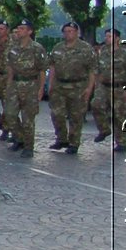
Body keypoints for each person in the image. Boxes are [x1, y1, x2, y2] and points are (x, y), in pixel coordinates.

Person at [45, 21, 97, 154]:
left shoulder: (86, 48)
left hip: (78, 86)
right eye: (66, 31)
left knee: (76, 116)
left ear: (77, 33)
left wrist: (89, 89)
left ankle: (74, 143)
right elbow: (52, 67)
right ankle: (61, 138)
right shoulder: (58, 47)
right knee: (57, 114)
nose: (68, 34)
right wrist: (49, 84)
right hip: (59, 85)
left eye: (71, 31)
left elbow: (92, 70)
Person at [2, 20, 47, 158]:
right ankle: (19, 138)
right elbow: (9, 67)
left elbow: (41, 71)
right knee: (10, 115)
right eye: (18, 28)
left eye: (22, 28)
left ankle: (28, 146)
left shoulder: (37, 48)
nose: (19, 31)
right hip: (15, 84)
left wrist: (40, 90)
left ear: (29, 31)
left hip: (30, 85)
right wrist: (8, 86)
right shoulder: (13, 47)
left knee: (28, 118)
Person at [91, 28, 126, 152]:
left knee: (120, 116)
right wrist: (96, 85)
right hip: (104, 86)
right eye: (106, 36)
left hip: (120, 87)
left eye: (110, 36)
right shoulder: (102, 51)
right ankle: (104, 129)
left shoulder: (125, 53)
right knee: (95, 105)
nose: (107, 38)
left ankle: (121, 142)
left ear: (117, 38)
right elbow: (97, 69)